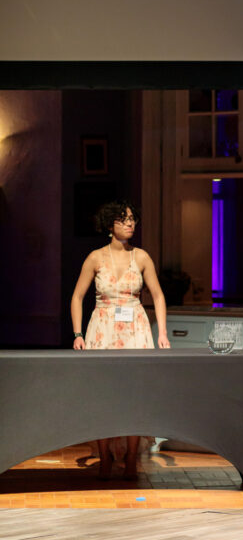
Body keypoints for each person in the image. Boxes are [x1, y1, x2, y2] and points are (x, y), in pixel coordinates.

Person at [70, 201, 170, 480]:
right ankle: (104, 457)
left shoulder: (142, 257)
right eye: (123, 219)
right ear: (109, 224)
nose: (130, 223)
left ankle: (130, 459)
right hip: (103, 330)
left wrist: (162, 332)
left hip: (135, 329)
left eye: (132, 219)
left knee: (134, 394)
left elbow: (158, 295)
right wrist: (78, 334)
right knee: (103, 394)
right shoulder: (95, 258)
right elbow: (77, 296)